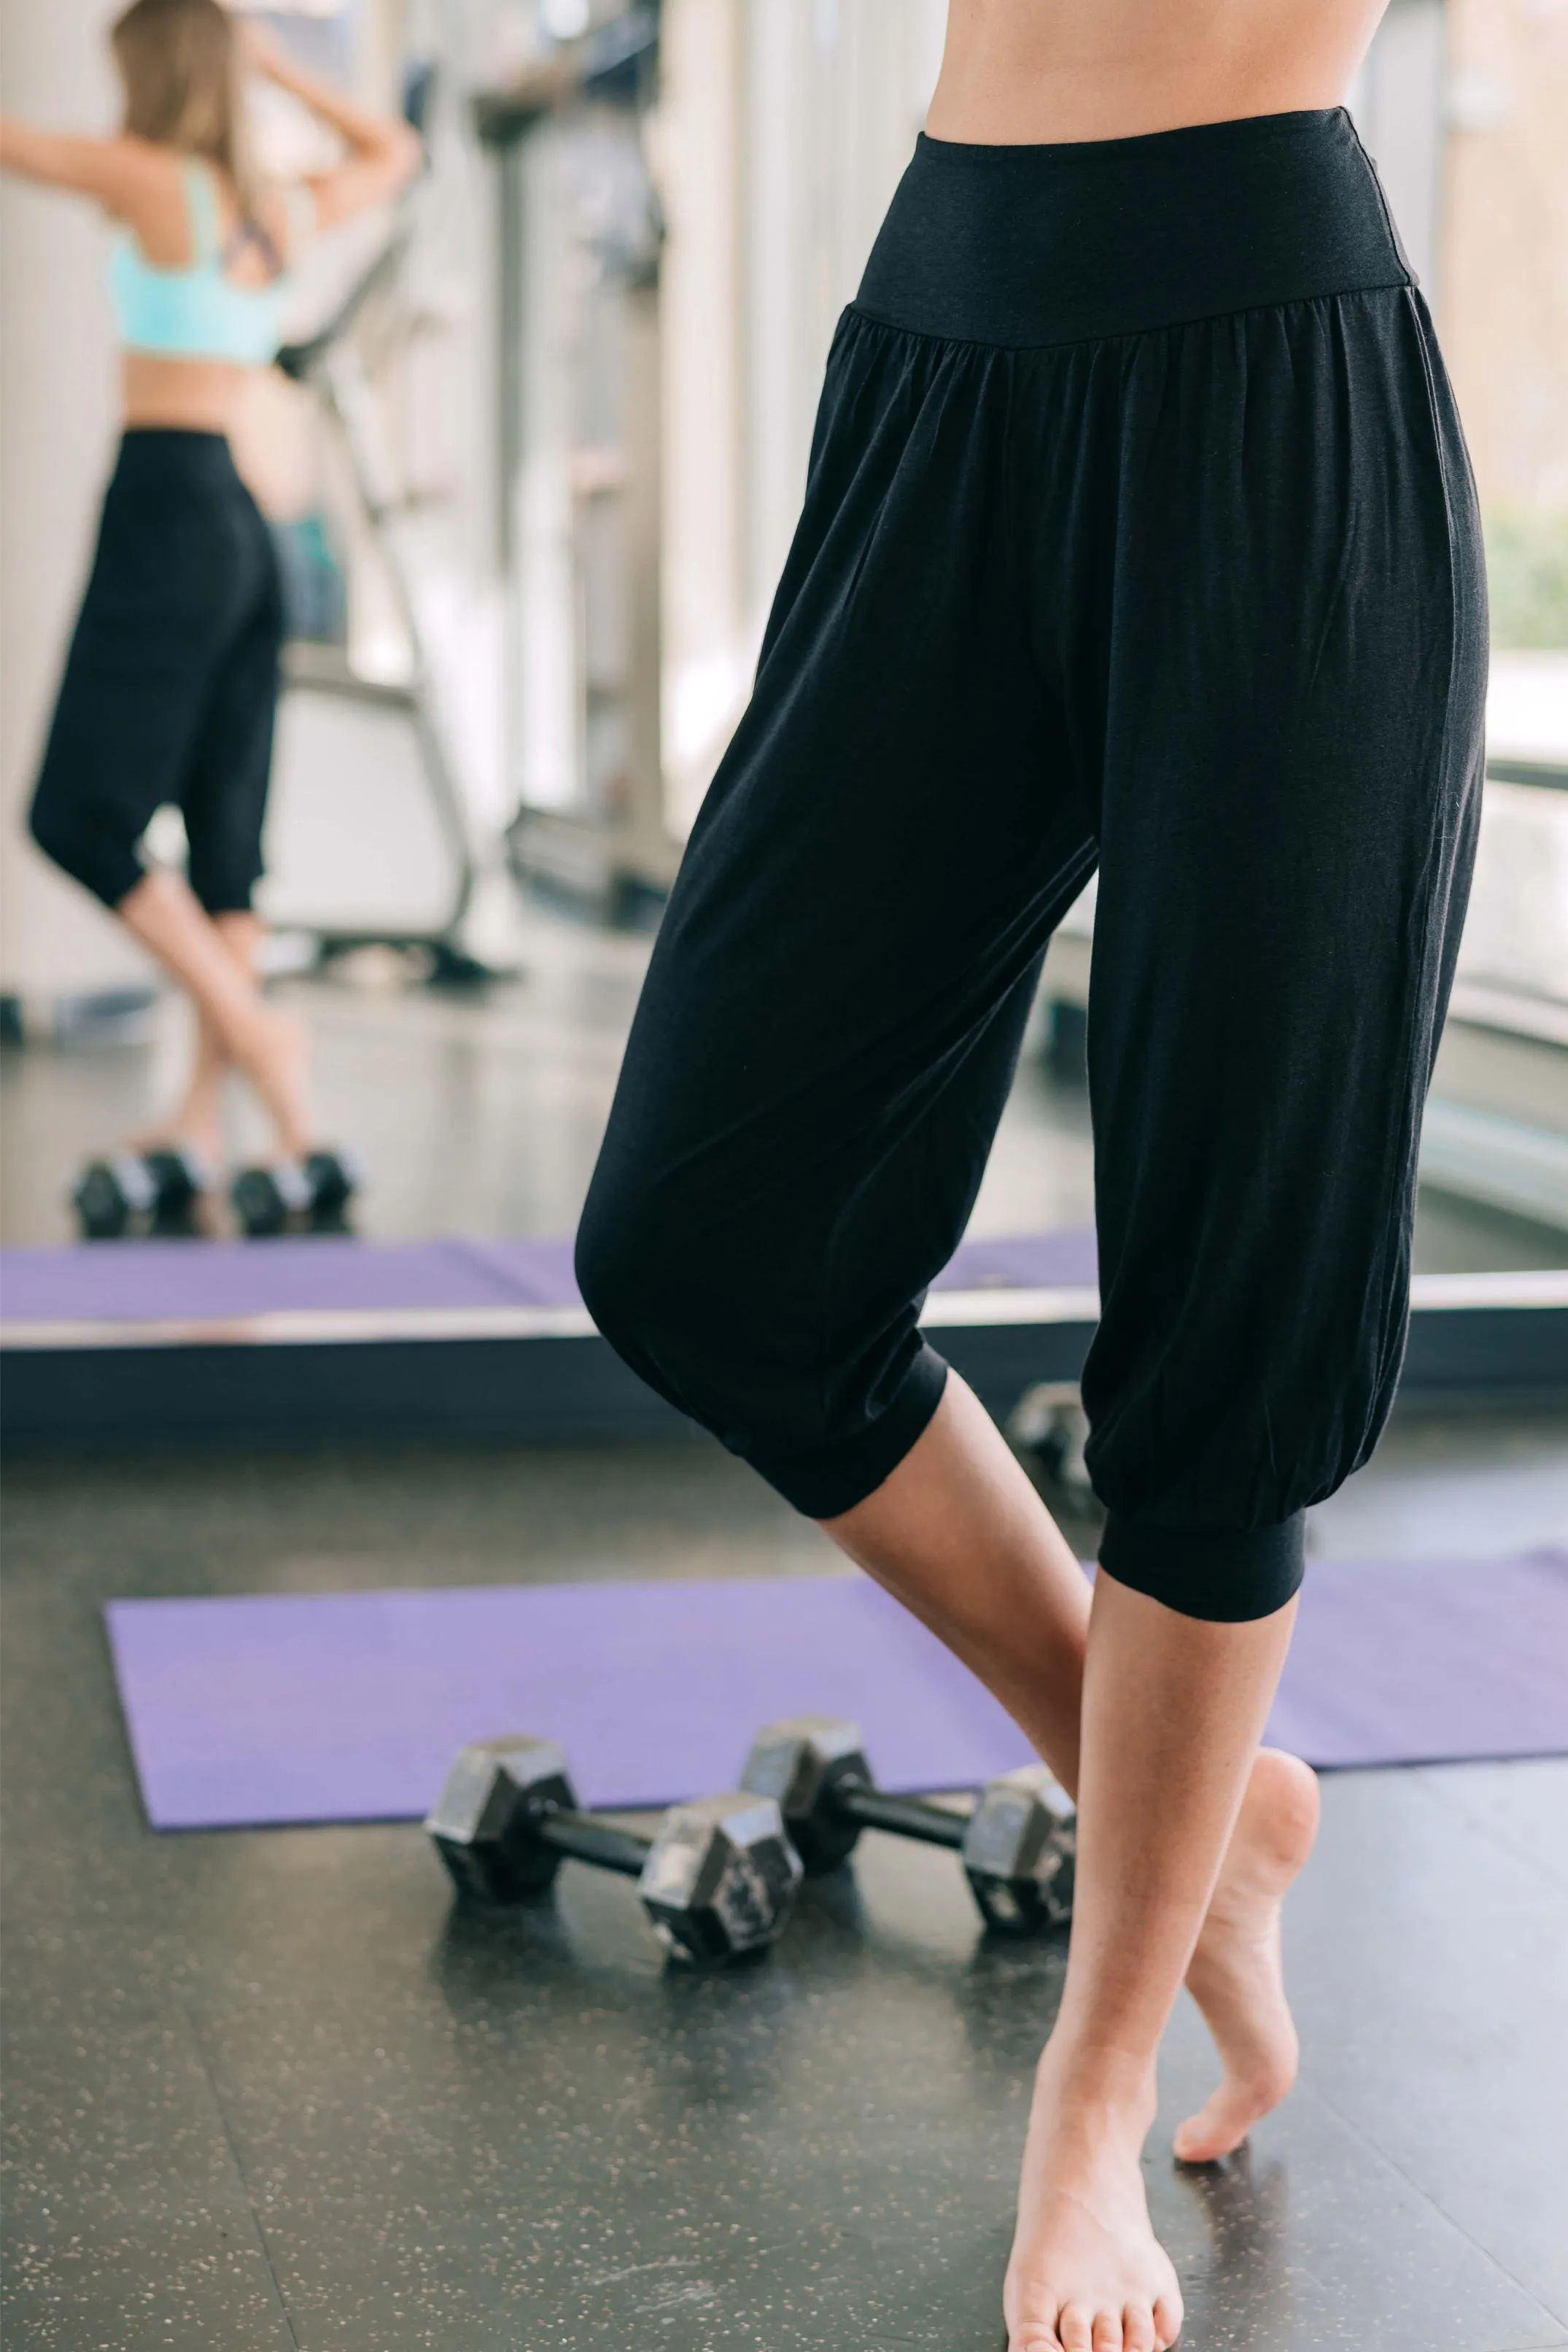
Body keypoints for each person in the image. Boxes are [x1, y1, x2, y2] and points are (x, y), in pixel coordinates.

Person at [575, 4, 1485, 2347]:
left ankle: (1094, 2079)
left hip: (1270, 352)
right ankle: (1188, 1793)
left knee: (1236, 1295)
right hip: (944, 323)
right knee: (702, 1241)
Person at [0, 1, 419, 1178]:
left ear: (149, 68)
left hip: (165, 507)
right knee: (225, 840)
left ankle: (257, 1035)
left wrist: (251, 53)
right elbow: (395, 154)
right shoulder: (271, 208)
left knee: (75, 817)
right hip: (247, 527)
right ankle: (249, 1127)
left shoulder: (149, 178)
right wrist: (278, 63)